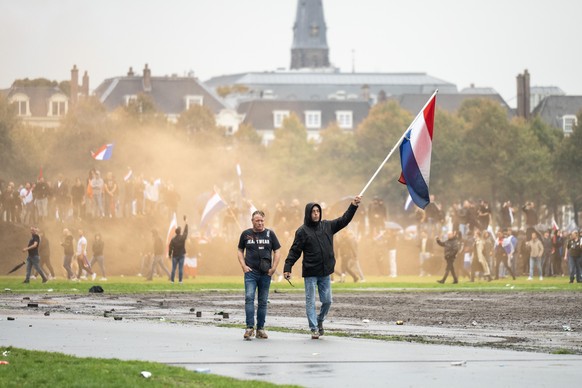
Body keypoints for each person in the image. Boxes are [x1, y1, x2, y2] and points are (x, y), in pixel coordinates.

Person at [283, 195, 362, 339]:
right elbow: (295, 250)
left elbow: (344, 220)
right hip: (311, 272)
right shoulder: (302, 231)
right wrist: (288, 266)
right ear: (308, 213)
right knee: (310, 301)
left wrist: (353, 206)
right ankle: (313, 328)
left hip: (325, 272)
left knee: (327, 301)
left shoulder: (327, 226)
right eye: (313, 212)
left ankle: (319, 321)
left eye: (318, 211)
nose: (316, 214)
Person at [237, 210, 282, 340]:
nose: (260, 223)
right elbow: (240, 250)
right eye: (257, 220)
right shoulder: (246, 234)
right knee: (249, 298)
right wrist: (243, 266)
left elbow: (277, 251)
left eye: (262, 220)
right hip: (251, 273)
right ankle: (249, 327)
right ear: (252, 221)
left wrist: (274, 268)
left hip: (265, 273)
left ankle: (260, 329)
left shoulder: (270, 234)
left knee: (262, 302)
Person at [168, 215, 188, 283]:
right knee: (180, 268)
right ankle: (180, 281)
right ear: (180, 231)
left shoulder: (173, 239)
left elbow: (170, 247)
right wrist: (186, 222)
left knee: (173, 268)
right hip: (181, 255)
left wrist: (169, 255)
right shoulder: (182, 238)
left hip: (175, 255)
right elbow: (186, 232)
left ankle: (172, 281)